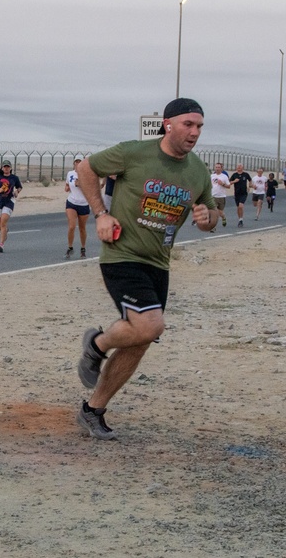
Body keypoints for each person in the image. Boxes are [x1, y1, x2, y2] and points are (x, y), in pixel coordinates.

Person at [73, 97, 217, 440]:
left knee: (141, 339)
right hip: (122, 255)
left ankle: (93, 409)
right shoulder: (134, 152)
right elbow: (86, 169)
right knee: (151, 325)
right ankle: (97, 344)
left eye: (199, 126)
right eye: (188, 124)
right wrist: (100, 214)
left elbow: (212, 215)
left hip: (158, 262)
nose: (195, 132)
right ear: (168, 124)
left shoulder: (198, 171)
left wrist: (207, 218)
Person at [0, 159, 22, 252]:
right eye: (5, 167)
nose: (6, 168)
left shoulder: (14, 178)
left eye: (8, 167)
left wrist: (17, 191)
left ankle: (1, 244)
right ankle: (5, 231)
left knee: (3, 222)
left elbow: (19, 186)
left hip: (9, 202)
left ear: (10, 168)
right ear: (2, 168)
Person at [64, 155, 90, 258]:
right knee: (72, 226)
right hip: (71, 202)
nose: (78, 163)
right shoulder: (70, 173)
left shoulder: (87, 174)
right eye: (76, 161)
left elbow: (90, 190)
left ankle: (83, 248)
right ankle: (70, 247)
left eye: (80, 161)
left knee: (82, 228)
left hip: (83, 204)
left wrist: (81, 185)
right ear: (74, 163)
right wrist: (67, 187)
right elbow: (67, 185)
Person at [210, 162, 231, 227]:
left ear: (221, 168)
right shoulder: (212, 176)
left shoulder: (224, 176)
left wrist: (222, 184)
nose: (217, 169)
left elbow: (229, 186)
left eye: (219, 167)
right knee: (214, 211)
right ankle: (213, 226)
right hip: (213, 196)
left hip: (221, 196)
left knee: (220, 212)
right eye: (216, 167)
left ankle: (223, 217)